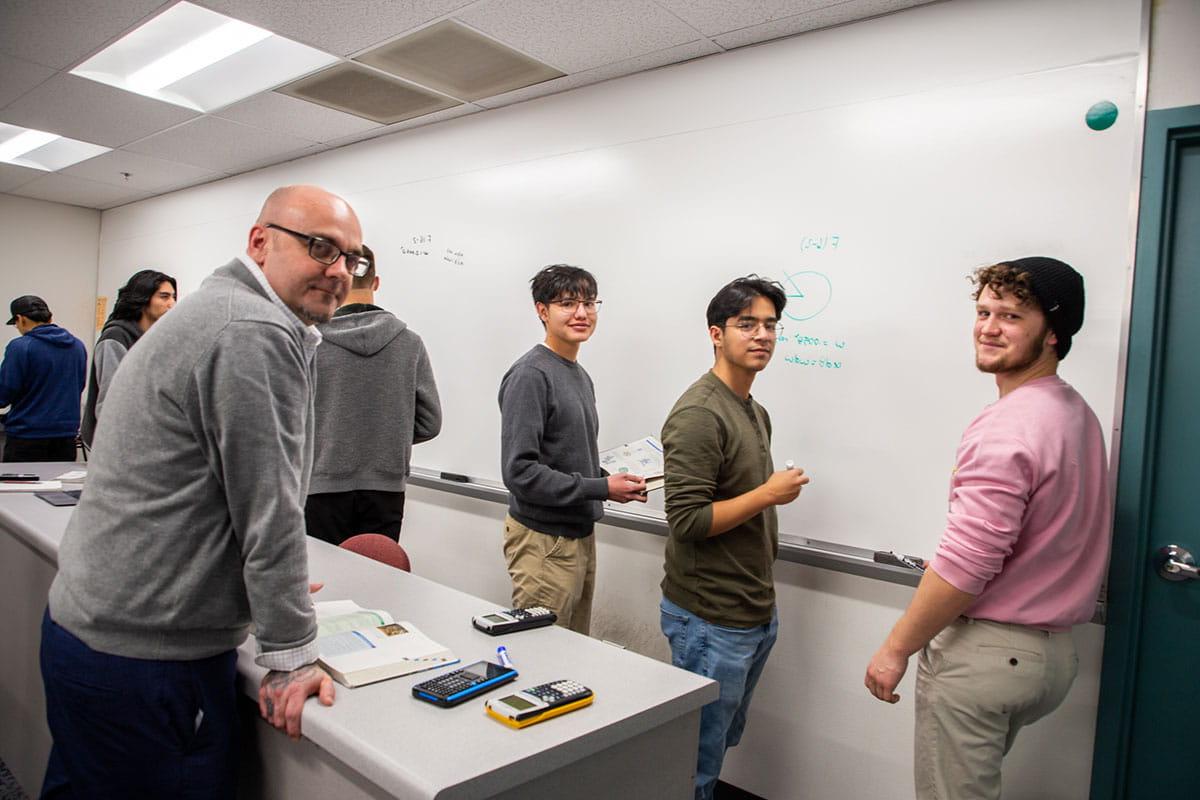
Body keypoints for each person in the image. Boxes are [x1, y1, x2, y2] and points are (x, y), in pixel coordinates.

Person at [41, 185, 371, 798]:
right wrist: (292, 656)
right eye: (321, 247)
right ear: (260, 241)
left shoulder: (219, 309)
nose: (339, 271)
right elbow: (267, 510)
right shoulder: (251, 329)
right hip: (149, 661)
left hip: (96, 634)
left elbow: (208, 489)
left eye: (352, 257)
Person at [864, 257, 1111, 800]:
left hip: (989, 655)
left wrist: (897, 648)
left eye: (1012, 316)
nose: (989, 327)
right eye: (983, 311)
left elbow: (968, 561)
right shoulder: (1074, 412)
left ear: (1053, 333)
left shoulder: (1009, 425)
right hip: (1048, 659)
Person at [659, 275, 810, 800]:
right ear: (716, 334)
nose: (762, 335)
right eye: (747, 324)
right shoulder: (701, 413)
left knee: (716, 748)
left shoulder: (753, 409)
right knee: (693, 763)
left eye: (771, 325)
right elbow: (688, 521)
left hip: (751, 610)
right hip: (710, 616)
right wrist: (768, 494)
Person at [498, 264, 647, 635]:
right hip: (544, 541)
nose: (581, 313)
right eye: (567, 303)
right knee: (541, 652)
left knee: (573, 650)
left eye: (589, 303)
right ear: (542, 310)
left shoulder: (578, 374)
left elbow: (565, 458)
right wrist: (600, 488)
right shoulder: (531, 375)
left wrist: (609, 481)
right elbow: (520, 473)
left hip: (578, 536)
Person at [306, 244, 442, 545]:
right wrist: (384, 437)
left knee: (327, 583)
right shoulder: (409, 343)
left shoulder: (311, 343)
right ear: (376, 283)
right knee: (380, 580)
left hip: (321, 487)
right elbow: (430, 423)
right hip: (386, 489)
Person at [80, 269, 177, 448]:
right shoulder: (116, 337)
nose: (172, 304)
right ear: (142, 298)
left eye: (173, 297)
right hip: (118, 444)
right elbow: (110, 402)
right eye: (164, 297)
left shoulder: (157, 338)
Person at [0, 295, 86, 462]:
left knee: (22, 488)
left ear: (20, 319)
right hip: (66, 437)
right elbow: (79, 386)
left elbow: (4, 393)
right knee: (59, 487)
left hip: (26, 438)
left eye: (16, 324)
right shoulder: (77, 346)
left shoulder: (20, 347)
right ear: (50, 317)